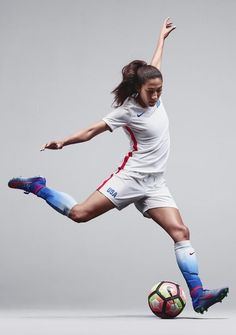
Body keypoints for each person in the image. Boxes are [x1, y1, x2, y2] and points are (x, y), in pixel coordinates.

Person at [8, 18, 228, 314]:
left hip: (155, 184)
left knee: (181, 232)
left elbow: (155, 65)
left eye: (160, 90)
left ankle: (198, 294)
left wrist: (161, 39)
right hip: (131, 179)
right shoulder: (127, 111)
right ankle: (37, 186)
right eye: (151, 91)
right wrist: (62, 141)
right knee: (79, 214)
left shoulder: (155, 96)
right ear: (138, 89)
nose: (157, 96)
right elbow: (90, 132)